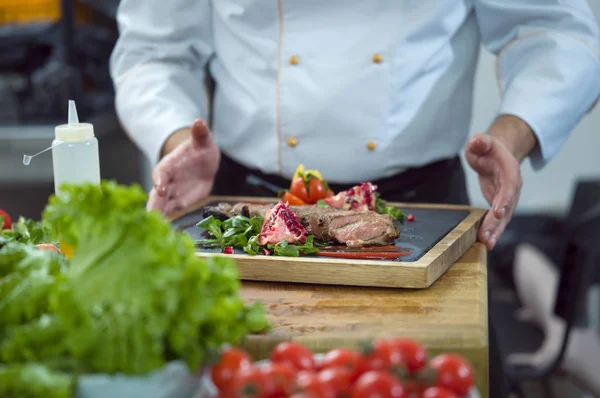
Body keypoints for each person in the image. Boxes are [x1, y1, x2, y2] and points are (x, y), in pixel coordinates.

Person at [110, 2, 599, 395]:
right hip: (245, 213)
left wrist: (511, 137)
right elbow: (154, 50)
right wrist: (177, 140)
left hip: (423, 210)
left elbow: (556, 30)